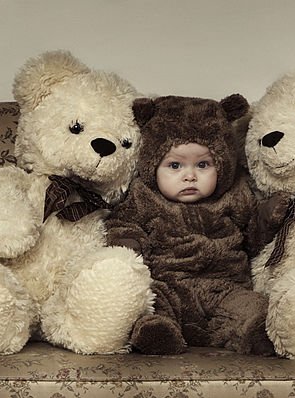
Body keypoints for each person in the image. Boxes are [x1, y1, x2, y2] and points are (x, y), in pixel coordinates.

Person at [106, 95, 273, 355]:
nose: (190, 175)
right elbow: (123, 225)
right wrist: (129, 243)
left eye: (203, 164)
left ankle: (254, 331)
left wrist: (267, 217)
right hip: (167, 284)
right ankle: (158, 331)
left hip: (224, 287)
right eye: (175, 165)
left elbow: (253, 235)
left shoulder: (235, 194)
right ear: (152, 166)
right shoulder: (143, 196)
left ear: (222, 163)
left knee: (253, 307)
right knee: (149, 303)